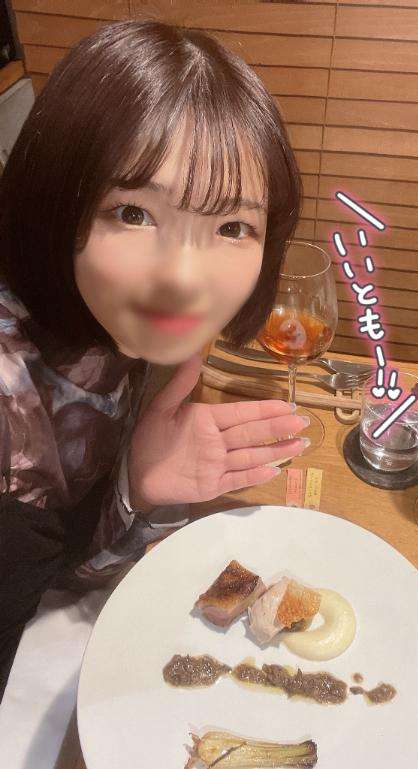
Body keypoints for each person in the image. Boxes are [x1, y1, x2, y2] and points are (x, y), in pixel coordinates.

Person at [0, 20, 309, 697]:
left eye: (232, 226)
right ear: (55, 198)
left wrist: (135, 485)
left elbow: (59, 568)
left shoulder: (112, 328)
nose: (184, 278)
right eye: (134, 213)